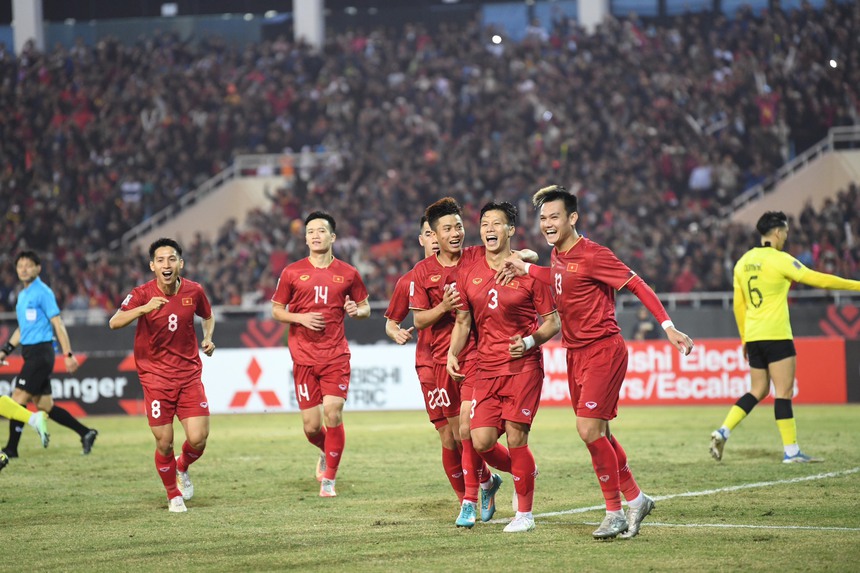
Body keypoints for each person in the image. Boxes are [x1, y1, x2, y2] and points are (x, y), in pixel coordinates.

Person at [504, 185, 694, 540]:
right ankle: (636, 499)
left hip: (603, 350)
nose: (547, 224)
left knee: (588, 430)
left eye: (554, 217)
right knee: (600, 433)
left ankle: (614, 513)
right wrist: (526, 268)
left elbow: (637, 284)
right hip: (575, 353)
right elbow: (558, 277)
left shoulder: (594, 254)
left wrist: (668, 326)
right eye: (543, 218)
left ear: (573, 218)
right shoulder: (558, 255)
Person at [409, 197, 538, 528]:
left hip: (480, 355)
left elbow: (523, 255)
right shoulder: (421, 273)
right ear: (433, 235)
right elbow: (414, 320)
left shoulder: (476, 254)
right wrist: (433, 313)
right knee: (454, 436)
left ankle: (469, 502)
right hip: (440, 359)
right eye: (447, 229)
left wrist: (524, 257)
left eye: (459, 227)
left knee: (468, 427)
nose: (455, 233)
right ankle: (495, 480)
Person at [710, 211, 860, 463]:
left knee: (757, 390)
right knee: (784, 392)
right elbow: (818, 279)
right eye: (786, 233)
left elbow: (738, 305)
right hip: (777, 334)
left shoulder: (742, 262)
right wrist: (856, 285)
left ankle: (723, 431)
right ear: (778, 232)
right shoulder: (780, 260)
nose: (786, 237)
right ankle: (791, 451)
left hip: (754, 336)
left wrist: (745, 338)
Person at [447, 201, 560, 533]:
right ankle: (525, 472)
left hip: (523, 368)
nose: (489, 229)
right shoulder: (469, 273)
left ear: (511, 230)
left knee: (515, 436)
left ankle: (524, 514)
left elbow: (553, 323)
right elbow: (463, 321)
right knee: (480, 440)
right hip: (486, 368)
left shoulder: (528, 274)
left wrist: (528, 342)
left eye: (496, 223)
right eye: (484, 224)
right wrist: (453, 353)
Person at [109, 238, 216, 513]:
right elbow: (114, 322)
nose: (166, 264)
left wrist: (207, 338)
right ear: (152, 266)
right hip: (155, 378)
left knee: (198, 438)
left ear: (181, 263)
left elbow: (207, 315)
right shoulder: (141, 294)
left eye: (171, 259)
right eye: (160, 260)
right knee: (165, 442)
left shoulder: (194, 290)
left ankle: (182, 466)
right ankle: (173, 495)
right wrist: (143, 309)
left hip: (188, 374)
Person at [271, 211, 371, 498]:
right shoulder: (291, 272)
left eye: (321, 230)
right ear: (305, 239)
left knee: (333, 412)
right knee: (312, 426)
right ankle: (326, 450)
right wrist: (300, 318)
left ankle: (329, 480)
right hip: (303, 357)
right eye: (311, 231)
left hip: (335, 355)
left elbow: (365, 307)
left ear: (333, 236)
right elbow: (277, 310)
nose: (316, 235)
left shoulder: (348, 273)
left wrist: (356, 311)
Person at [384, 217, 465, 502]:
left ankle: (486, 480)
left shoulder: (467, 268)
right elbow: (391, 322)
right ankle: (465, 500)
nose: (434, 239)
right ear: (422, 240)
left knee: (468, 431)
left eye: (437, 233)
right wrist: (395, 333)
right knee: (447, 436)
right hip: (429, 363)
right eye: (428, 234)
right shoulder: (410, 279)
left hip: (466, 358)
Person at [0, 251, 98, 459]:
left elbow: (58, 323)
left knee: (17, 398)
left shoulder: (43, 292)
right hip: (30, 353)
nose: (24, 269)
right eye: (20, 266)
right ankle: (86, 432)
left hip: (41, 353)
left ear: (38, 268)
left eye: (28, 265)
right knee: (45, 406)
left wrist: (68, 354)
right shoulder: (22, 296)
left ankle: (11, 449)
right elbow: (23, 329)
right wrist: (5, 350)